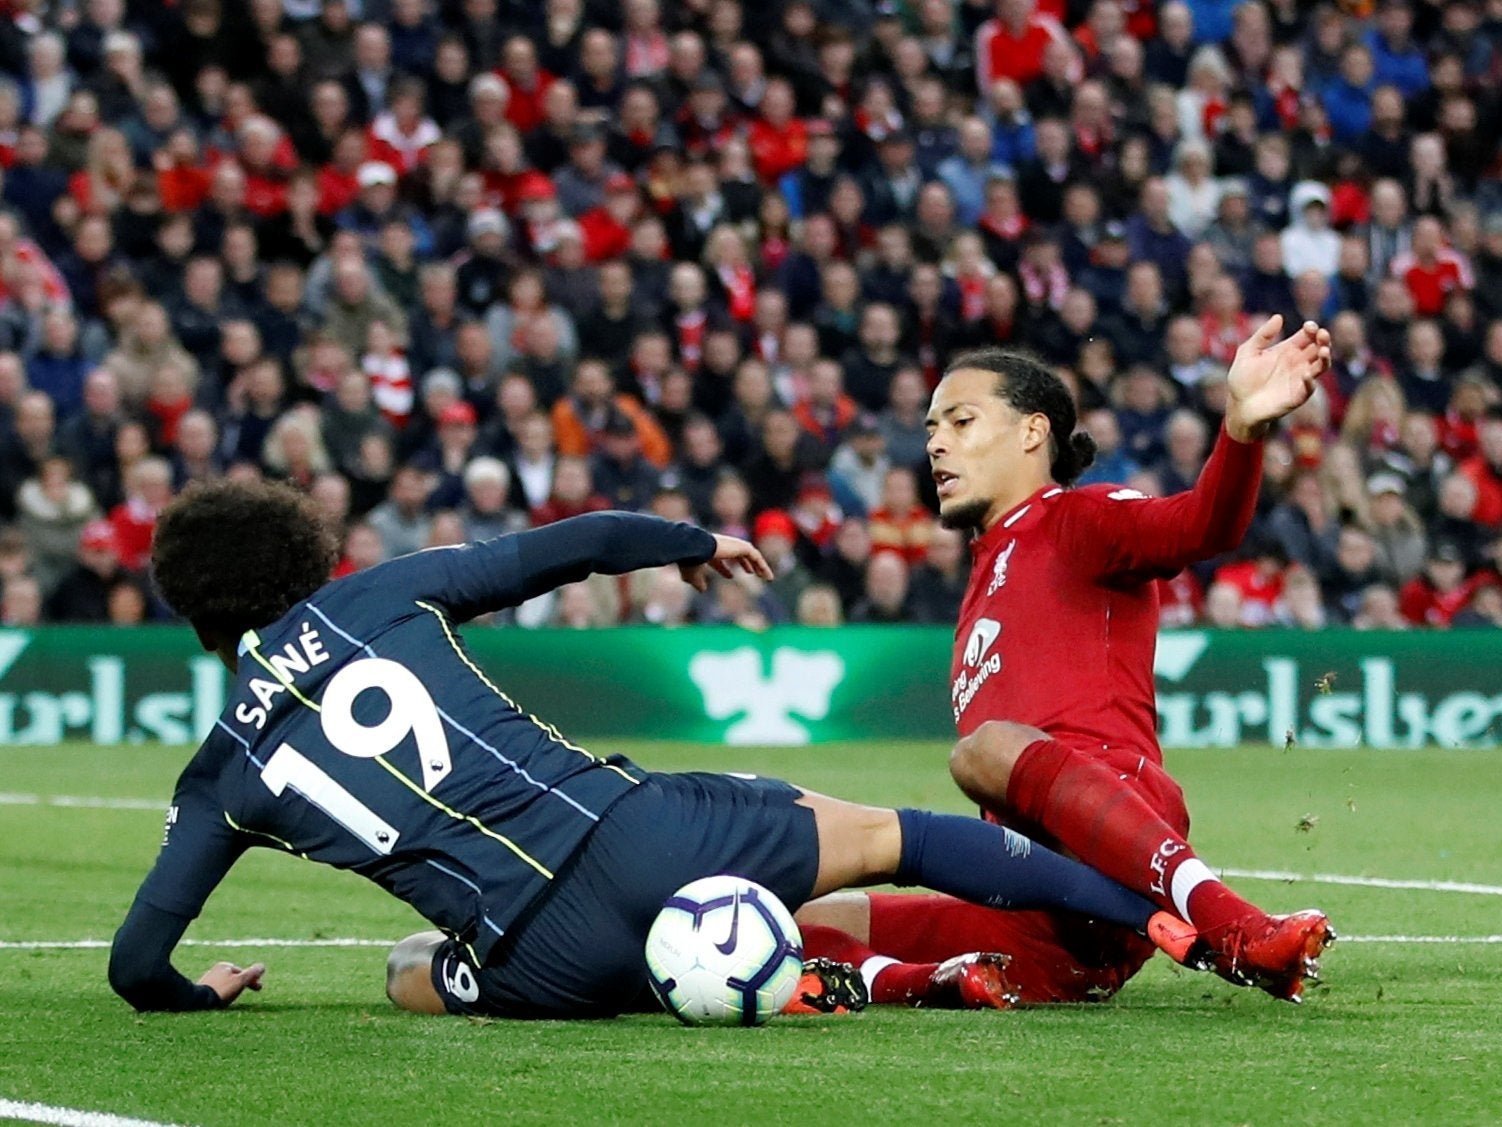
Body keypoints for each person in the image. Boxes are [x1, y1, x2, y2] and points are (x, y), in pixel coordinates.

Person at [109, 480, 1204, 1018]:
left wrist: (197, 992)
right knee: (891, 836)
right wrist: (695, 543)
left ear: (196, 611)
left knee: (403, 971)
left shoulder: (220, 769)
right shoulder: (377, 593)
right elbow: (577, 544)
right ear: (307, 550)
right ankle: (1149, 911)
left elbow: (134, 964)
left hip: (534, 956)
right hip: (633, 830)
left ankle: (858, 978)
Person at [799, 317, 1337, 1006]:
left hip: (1121, 846)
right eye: (933, 427)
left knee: (981, 750)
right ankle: (941, 983)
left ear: (1032, 432)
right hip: (1037, 914)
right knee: (802, 918)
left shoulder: (1079, 519)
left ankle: (1230, 920)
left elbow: (1205, 524)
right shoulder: (978, 592)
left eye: (961, 421)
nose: (936, 442)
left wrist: (1241, 427)